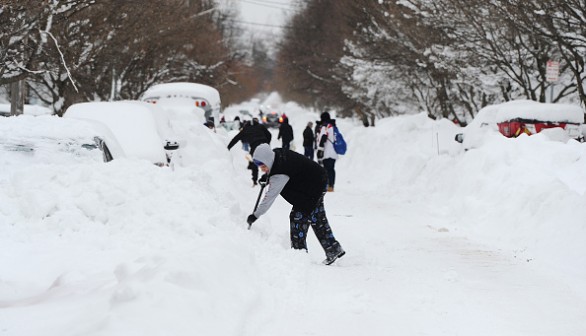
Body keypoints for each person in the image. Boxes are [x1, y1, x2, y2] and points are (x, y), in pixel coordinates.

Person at [247, 143, 345, 265]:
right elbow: (277, 169)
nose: (261, 168)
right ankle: (333, 248)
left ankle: (299, 255)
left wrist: (255, 215)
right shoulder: (277, 154)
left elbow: (269, 198)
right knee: (316, 217)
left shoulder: (280, 175)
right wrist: (267, 177)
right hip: (318, 178)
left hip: (313, 186)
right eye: (258, 166)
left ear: (268, 159)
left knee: (298, 218)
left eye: (262, 165)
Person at [227, 118, 272, 186]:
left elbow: (236, 138)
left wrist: (228, 147)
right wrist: (267, 143)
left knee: (254, 163)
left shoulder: (246, 129)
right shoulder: (261, 126)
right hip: (265, 145)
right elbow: (269, 135)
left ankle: (254, 180)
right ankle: (269, 177)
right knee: (268, 161)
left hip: (255, 147)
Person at [316, 112, 338, 192]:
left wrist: (320, 149)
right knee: (331, 169)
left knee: (326, 169)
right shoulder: (332, 126)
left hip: (327, 151)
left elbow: (324, 136)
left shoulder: (325, 126)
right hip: (333, 151)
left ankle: (328, 185)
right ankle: (331, 185)